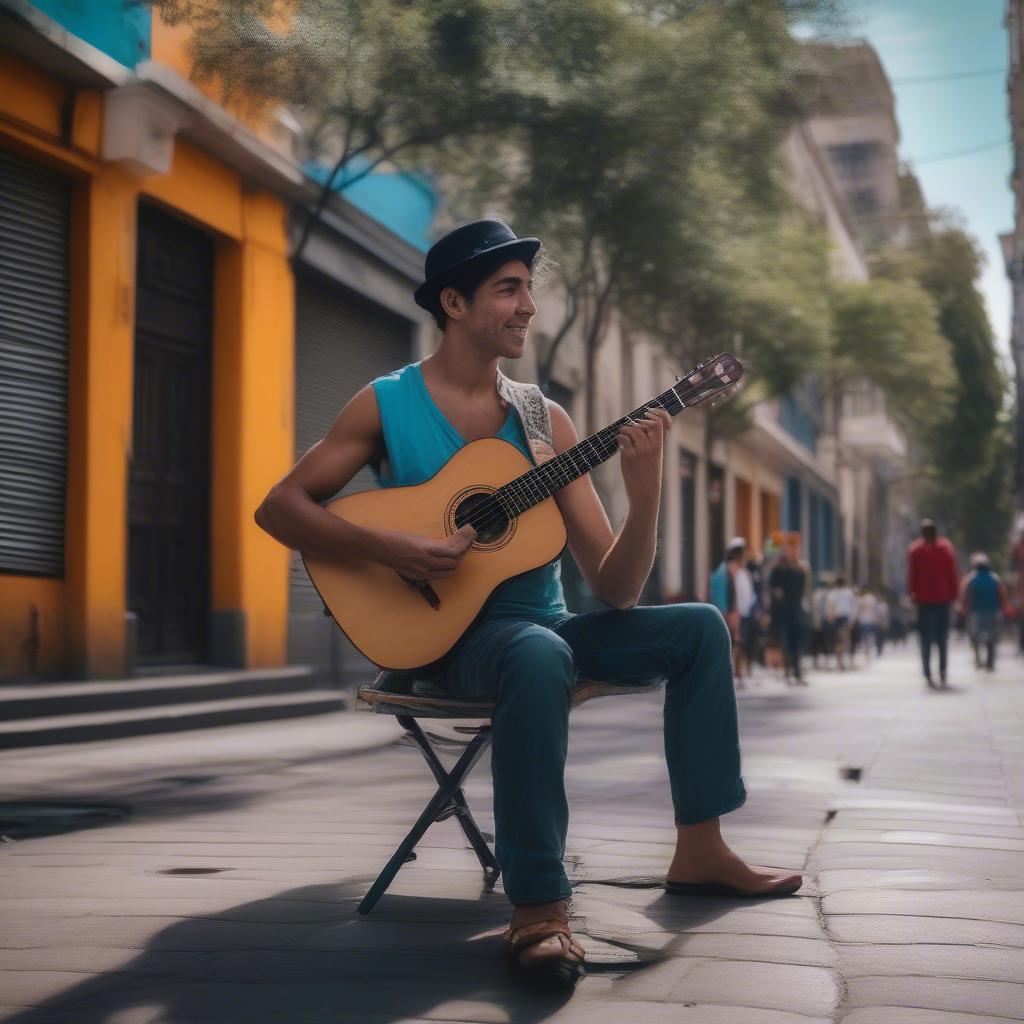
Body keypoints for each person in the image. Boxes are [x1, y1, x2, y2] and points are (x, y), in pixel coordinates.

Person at [253, 219, 801, 990]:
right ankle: (540, 907)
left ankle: (701, 849)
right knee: (539, 653)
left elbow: (613, 587)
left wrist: (644, 500)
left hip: (548, 631)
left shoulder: (546, 422)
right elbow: (280, 509)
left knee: (700, 628)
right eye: (508, 289)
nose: (528, 306)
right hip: (451, 642)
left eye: (529, 288)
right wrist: (397, 550)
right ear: (452, 301)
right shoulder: (388, 403)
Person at [906, 518, 960, 689]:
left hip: (940, 599)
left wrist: (954, 595)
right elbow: (912, 575)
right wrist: (912, 594)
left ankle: (939, 671)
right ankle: (929, 672)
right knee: (928, 639)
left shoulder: (943, 548)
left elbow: (952, 573)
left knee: (938, 638)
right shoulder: (917, 550)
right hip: (928, 599)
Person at [959, 553, 1013, 671]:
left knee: (975, 637)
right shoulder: (995, 578)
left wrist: (964, 609)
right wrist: (1005, 609)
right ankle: (990, 662)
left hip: (976, 613)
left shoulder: (971, 579)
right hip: (992, 612)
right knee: (992, 638)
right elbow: (1002, 595)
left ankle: (978, 660)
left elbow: (966, 596)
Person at [710, 537, 750, 684]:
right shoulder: (727, 572)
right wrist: (731, 614)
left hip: (731, 614)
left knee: (735, 643)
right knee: (733, 644)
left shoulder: (729, 570)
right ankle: (729, 675)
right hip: (728, 615)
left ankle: (735, 674)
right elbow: (728, 596)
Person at [769, 532, 807, 685]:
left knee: (798, 640)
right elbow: (774, 588)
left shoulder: (801, 568)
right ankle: (789, 671)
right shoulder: (779, 568)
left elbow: (804, 591)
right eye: (791, 547)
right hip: (783, 611)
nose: (794, 551)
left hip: (797, 610)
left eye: (796, 548)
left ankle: (797, 671)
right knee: (786, 641)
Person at [827, 576, 857, 671]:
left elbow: (830, 606)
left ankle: (840, 662)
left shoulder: (833, 593)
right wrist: (852, 620)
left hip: (837, 618)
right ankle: (841, 662)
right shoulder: (848, 593)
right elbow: (853, 607)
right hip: (843, 618)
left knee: (838, 641)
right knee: (843, 640)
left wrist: (830, 617)